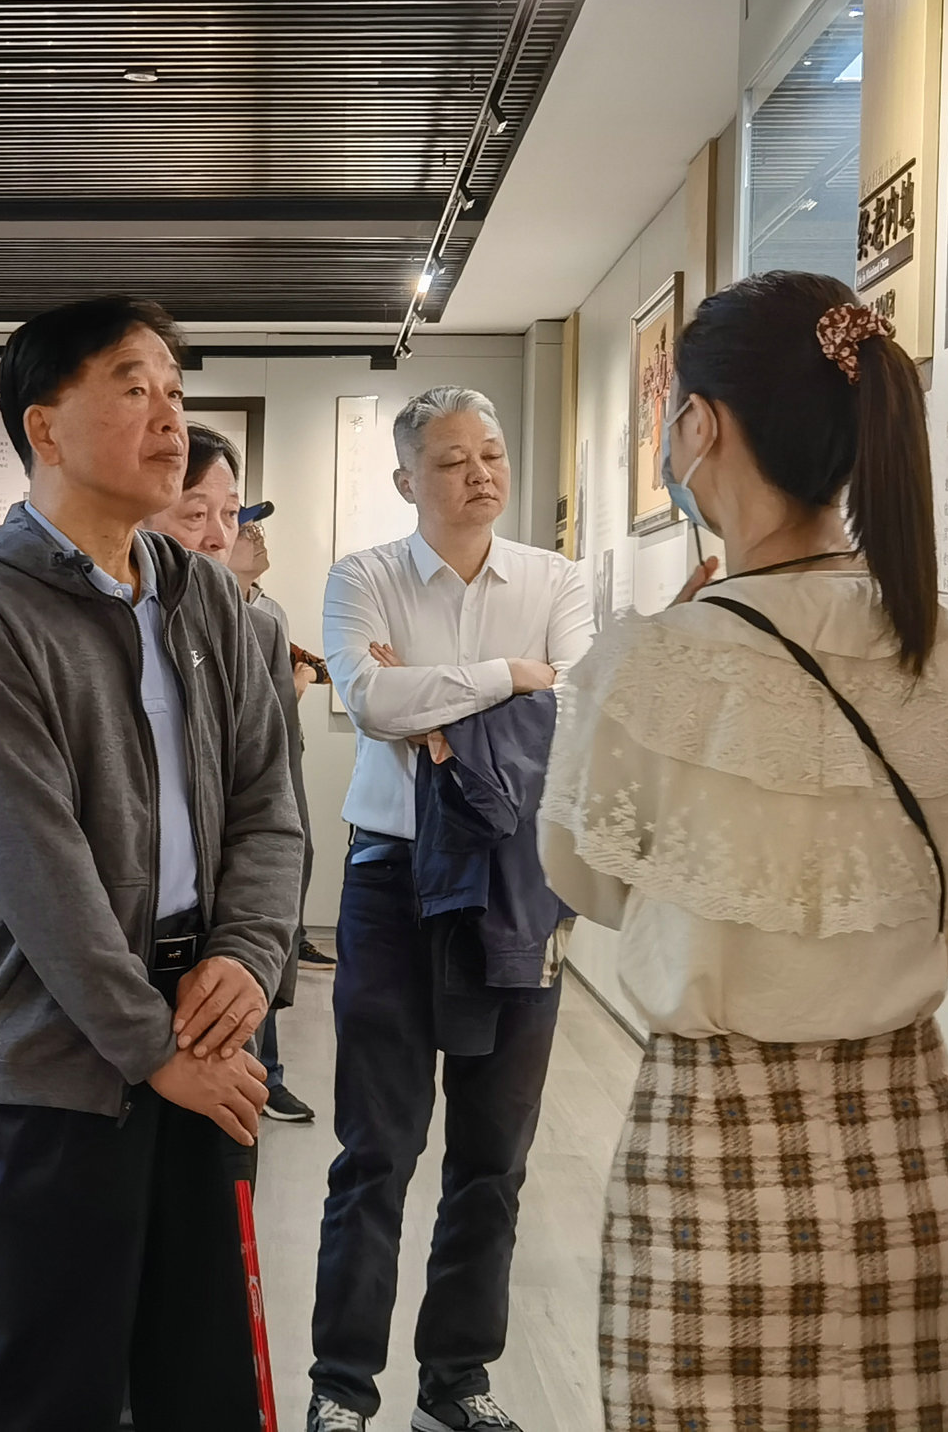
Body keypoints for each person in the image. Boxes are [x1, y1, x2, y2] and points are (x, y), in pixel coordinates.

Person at [539, 273, 948, 1429]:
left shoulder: (654, 663)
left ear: (699, 424)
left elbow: (583, 880)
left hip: (709, 1166)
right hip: (912, 1153)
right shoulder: (944, 652)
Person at [0, 297, 305, 1432]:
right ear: (43, 426)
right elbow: (36, 871)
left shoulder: (204, 596)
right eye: (134, 388)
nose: (170, 417)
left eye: (176, 391)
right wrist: (153, 1047)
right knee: (55, 1389)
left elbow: (269, 804)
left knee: (204, 1380)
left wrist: (247, 954)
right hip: (51, 1059)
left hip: (206, 1023)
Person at [310, 386, 592, 1432]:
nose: (480, 474)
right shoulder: (363, 577)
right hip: (391, 878)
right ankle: (341, 1389)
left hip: (518, 882)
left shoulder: (556, 579)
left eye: (492, 453)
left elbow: (574, 707)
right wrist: (507, 678)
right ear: (405, 480)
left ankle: (456, 1384)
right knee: (373, 1150)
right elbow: (367, 698)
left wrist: (435, 712)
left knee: (492, 1158)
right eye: (451, 460)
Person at [144, 423, 316, 1124]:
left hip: (223, 941)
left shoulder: (260, 629)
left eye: (231, 513)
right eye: (196, 514)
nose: (219, 536)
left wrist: (259, 956)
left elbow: (276, 801)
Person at [232, 513, 335, 972]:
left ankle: (290, 942)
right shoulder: (210, 605)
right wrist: (297, 685)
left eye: (256, 528)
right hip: (244, 747)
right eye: (244, 529)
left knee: (294, 844)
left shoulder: (269, 609)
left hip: (284, 740)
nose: (257, 537)